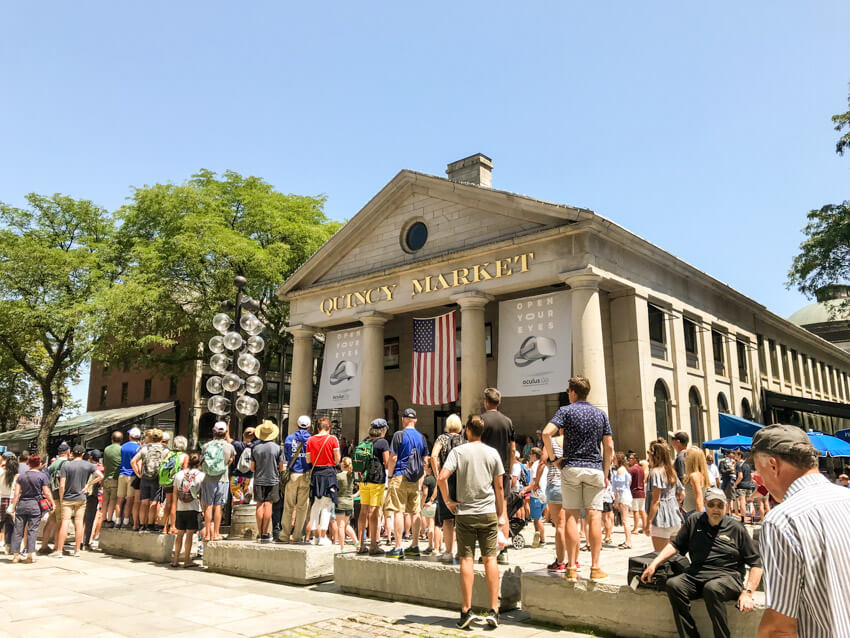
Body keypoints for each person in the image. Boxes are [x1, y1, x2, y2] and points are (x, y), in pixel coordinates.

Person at [751, 424, 850, 637]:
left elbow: (779, 628)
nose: (762, 483)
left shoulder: (782, 520)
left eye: (759, 474)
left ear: (773, 465)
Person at [641, 487, 763, 638]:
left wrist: (748, 592)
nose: (716, 509)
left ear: (725, 506)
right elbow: (676, 545)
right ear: (705, 504)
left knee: (712, 588)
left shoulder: (737, 529)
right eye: (712, 504)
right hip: (697, 575)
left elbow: (756, 564)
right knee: (674, 585)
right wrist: (654, 563)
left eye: (720, 505)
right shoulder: (694, 521)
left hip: (728, 578)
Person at [542, 376, 614, 582]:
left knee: (571, 516)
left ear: (573, 392)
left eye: (568, 391)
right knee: (594, 516)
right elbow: (609, 446)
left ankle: (571, 566)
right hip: (594, 468)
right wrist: (606, 472)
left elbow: (547, 433)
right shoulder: (600, 414)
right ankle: (595, 566)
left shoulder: (565, 411)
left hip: (571, 467)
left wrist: (555, 459)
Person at [437, 415, 506, 629]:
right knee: (490, 559)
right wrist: (501, 513)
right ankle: (494, 609)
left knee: (466, 560)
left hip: (465, 512)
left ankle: (466, 610)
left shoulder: (459, 451)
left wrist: (448, 501)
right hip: (487, 512)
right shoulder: (492, 453)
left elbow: (441, 477)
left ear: (467, 430)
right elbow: (500, 487)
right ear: (482, 431)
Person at [385, 408, 428, 559]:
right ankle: (415, 545)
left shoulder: (399, 435)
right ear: (415, 420)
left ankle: (398, 547)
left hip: (400, 475)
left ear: (403, 419)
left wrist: (390, 476)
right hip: (416, 479)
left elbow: (393, 458)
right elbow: (425, 461)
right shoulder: (422, 438)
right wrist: (421, 480)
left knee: (398, 511)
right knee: (415, 511)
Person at [480, 388, 515, 563]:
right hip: (504, 471)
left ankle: (487, 550)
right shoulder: (508, 422)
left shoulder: (480, 420)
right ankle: (503, 551)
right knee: (503, 511)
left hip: (483, 471)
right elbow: (513, 448)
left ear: (486, 402)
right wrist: (511, 469)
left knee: (484, 511)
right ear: (498, 402)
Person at [55, 445, 102, 557]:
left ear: (72, 453)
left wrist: (62, 498)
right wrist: (88, 485)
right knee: (79, 522)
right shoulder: (88, 465)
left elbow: (62, 485)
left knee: (65, 522)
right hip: (81, 497)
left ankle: (59, 550)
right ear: (82, 454)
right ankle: (77, 550)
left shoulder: (66, 466)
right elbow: (101, 476)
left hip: (67, 497)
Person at [430, 414, 465, 563]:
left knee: (447, 520)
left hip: (446, 480)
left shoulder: (442, 438)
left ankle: (448, 551)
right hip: (462, 481)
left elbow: (433, 456)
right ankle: (462, 551)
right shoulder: (464, 440)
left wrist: (438, 475)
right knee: (462, 519)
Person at [355, 418, 390, 556]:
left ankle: (361, 544)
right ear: (383, 430)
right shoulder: (383, 442)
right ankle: (374, 545)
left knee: (363, 510)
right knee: (374, 512)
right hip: (377, 480)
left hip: (363, 481)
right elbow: (387, 463)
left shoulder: (364, 441)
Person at [8, 454, 52, 563]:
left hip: (22, 504)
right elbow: (46, 492)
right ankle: (30, 556)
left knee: (18, 530)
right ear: (40, 464)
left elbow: (17, 493)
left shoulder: (21, 476)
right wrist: (52, 503)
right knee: (32, 531)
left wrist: (13, 507)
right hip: (35, 505)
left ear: (29, 463)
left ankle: (15, 556)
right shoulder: (42, 476)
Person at [305, 416, 340, 546]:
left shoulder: (310, 439)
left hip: (316, 474)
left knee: (315, 506)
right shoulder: (332, 439)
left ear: (318, 428)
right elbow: (337, 459)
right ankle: (323, 537)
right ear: (329, 428)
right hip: (329, 473)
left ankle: (315, 537)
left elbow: (308, 460)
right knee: (326, 506)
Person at [279, 415, 312, 543]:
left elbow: (287, 455)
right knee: (302, 507)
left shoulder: (289, 438)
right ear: (309, 427)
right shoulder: (311, 440)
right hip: (306, 474)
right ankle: (298, 535)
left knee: (288, 506)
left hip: (293, 474)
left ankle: (284, 535)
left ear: (297, 424)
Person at [645, 440, 683, 551]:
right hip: (674, 517)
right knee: (673, 557)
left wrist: (648, 522)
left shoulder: (655, 472)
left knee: (660, 557)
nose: (648, 459)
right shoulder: (671, 471)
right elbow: (681, 493)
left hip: (661, 519)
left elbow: (656, 501)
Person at [200, 421, 235, 543]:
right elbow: (231, 460)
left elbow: (202, 461)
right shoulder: (229, 447)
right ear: (225, 432)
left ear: (213, 431)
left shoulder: (206, 446)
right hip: (222, 479)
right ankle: (216, 533)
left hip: (208, 479)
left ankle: (207, 534)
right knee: (218, 507)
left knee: (208, 506)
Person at [250, 420, 282, 543]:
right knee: (268, 505)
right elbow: (281, 467)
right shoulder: (277, 448)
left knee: (259, 504)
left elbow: (252, 467)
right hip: (273, 479)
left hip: (259, 479)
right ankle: (266, 532)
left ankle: (260, 532)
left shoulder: (255, 448)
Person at [172, 452, 205, 568]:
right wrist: (204, 509)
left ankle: (175, 559)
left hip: (180, 508)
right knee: (190, 534)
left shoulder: (179, 474)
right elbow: (202, 494)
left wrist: (174, 510)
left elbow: (175, 494)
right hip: (194, 508)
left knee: (180, 534)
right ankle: (187, 560)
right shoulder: (201, 475)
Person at [131, 428, 168, 532]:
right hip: (157, 478)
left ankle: (142, 524)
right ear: (161, 438)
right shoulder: (165, 450)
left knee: (143, 502)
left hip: (145, 477)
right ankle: (151, 524)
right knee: (153, 502)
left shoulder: (144, 448)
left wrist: (139, 474)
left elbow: (133, 461)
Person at [39, 442, 71, 554]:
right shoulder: (67, 464)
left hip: (51, 496)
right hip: (61, 497)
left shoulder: (51, 465)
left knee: (51, 522)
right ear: (68, 452)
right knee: (61, 522)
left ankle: (44, 545)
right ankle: (57, 547)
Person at [160, 435, 189, 534]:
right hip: (176, 482)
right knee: (174, 504)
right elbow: (185, 472)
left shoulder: (168, 453)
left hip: (167, 481)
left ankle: (164, 527)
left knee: (168, 503)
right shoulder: (185, 456)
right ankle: (173, 526)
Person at [115, 427, 141, 529]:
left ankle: (117, 521)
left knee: (119, 498)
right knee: (130, 499)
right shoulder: (138, 448)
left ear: (130, 436)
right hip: (132, 475)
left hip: (122, 474)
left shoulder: (123, 447)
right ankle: (125, 521)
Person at [82, 450, 104, 550]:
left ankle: (80, 541)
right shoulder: (101, 468)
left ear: (90, 457)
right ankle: (87, 542)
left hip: (83, 494)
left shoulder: (86, 466)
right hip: (94, 495)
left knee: (82, 519)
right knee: (90, 519)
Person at [611, 451, 633, 549]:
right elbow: (629, 483)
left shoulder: (620, 470)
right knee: (625, 519)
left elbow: (619, 488)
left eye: (614, 458)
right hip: (626, 494)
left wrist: (616, 500)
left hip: (622, 496)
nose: (613, 460)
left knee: (625, 520)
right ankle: (628, 540)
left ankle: (628, 541)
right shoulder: (625, 470)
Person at [101, 431, 122, 529]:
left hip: (106, 478)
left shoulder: (106, 449)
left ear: (112, 439)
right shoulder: (121, 449)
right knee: (113, 500)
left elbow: (104, 463)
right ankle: (109, 520)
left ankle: (103, 519)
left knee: (105, 500)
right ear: (121, 440)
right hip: (116, 478)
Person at [335, 457, 357, 552]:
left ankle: (342, 547)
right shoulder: (353, 476)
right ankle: (356, 542)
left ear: (343, 465)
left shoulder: (338, 476)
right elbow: (361, 487)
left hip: (340, 502)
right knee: (346, 525)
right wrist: (354, 496)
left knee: (340, 525)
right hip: (349, 503)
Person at [230, 426, 256, 505]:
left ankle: (236, 511)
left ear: (243, 435)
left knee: (236, 500)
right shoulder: (257, 447)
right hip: (250, 477)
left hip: (237, 477)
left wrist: (228, 423)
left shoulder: (237, 445)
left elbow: (227, 438)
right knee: (249, 502)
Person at [682, 446, 710, 515]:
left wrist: (698, 520)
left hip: (693, 513)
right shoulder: (700, 474)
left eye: (686, 456)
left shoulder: (694, 476)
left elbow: (699, 499)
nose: (685, 458)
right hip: (692, 511)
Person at [0, 453, 18, 553]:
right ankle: (9, 545)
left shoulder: (2, 474)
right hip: (12, 501)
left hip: (1, 500)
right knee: (11, 525)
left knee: (1, 523)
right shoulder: (16, 476)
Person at [732, 450, 755, 522]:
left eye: (736, 455)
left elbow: (740, 476)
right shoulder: (748, 464)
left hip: (741, 485)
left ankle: (743, 519)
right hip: (749, 485)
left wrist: (735, 484)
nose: (735, 457)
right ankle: (753, 518)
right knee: (750, 501)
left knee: (742, 501)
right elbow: (752, 475)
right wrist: (750, 482)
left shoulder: (739, 464)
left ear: (739, 456)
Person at [627, 452, 647, 534]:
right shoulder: (641, 469)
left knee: (635, 511)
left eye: (630, 458)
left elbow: (629, 481)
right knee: (642, 510)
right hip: (641, 492)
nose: (629, 460)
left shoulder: (631, 469)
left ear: (635, 459)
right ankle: (645, 528)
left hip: (634, 492)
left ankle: (635, 529)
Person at [717, 449, 737, 515]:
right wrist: (730, 470)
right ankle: (726, 513)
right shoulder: (724, 461)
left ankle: (730, 513)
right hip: (727, 481)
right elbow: (721, 471)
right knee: (727, 498)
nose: (734, 454)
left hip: (733, 481)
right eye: (732, 453)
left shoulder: (734, 461)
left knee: (731, 498)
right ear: (728, 454)